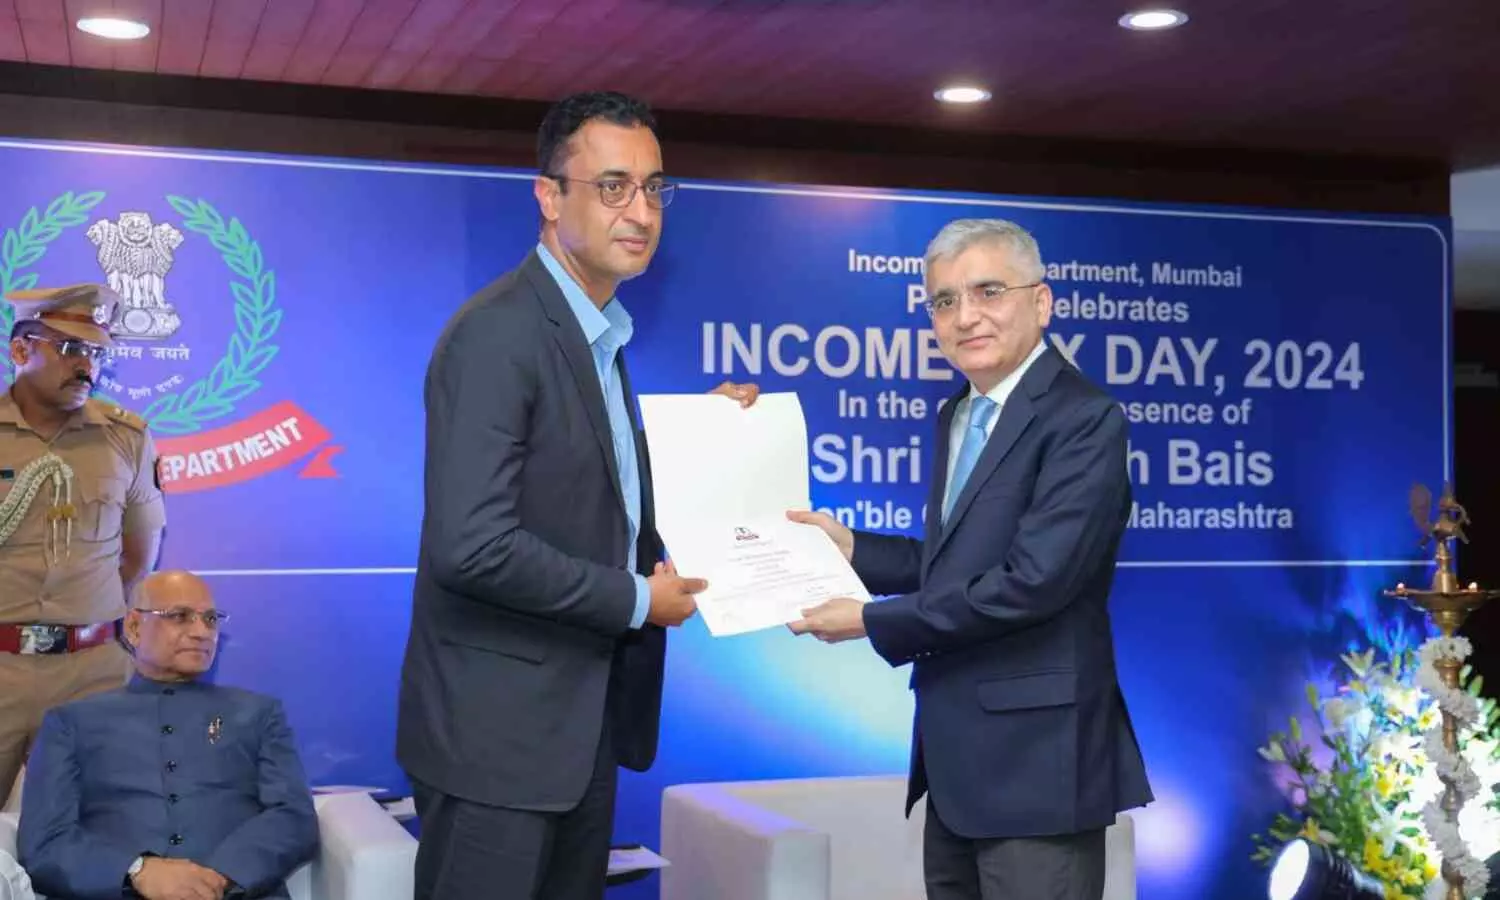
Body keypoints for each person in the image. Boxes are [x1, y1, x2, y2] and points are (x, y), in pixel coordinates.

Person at [396, 90, 759, 900]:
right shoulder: (500, 332)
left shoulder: (598, 335)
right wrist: (639, 600)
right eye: (613, 186)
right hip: (496, 743)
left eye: (655, 188)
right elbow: (473, 546)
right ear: (550, 197)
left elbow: (584, 486)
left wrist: (704, 440)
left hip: (576, 728)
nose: (642, 212)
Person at [788, 218, 1152, 900]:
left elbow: (1032, 583)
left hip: (1038, 768)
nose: (965, 316)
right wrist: (853, 549)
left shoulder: (1083, 418)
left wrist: (870, 620)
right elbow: (957, 565)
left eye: (988, 291)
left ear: (1041, 302)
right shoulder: (960, 412)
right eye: (944, 300)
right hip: (956, 766)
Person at [17, 569, 318, 900]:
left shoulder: (258, 713)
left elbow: (293, 817)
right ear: (134, 627)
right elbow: (45, 842)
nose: (201, 632)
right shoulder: (71, 723)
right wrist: (137, 871)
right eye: (179, 616)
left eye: (210, 619)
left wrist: (219, 878)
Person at [0, 283, 166, 809]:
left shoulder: (126, 438)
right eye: (70, 348)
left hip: (92, 674)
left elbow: (137, 555)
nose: (86, 365)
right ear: (21, 349)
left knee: (100, 828)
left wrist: (90, 623)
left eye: (96, 352)